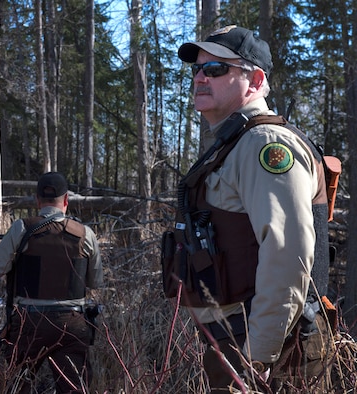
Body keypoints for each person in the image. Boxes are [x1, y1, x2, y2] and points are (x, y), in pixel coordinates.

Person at [162, 25, 334, 392]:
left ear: (255, 80)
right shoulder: (236, 142)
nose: (200, 78)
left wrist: (257, 356)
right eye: (197, 69)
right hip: (241, 339)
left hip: (274, 350)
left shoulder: (264, 144)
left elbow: (288, 254)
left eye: (216, 69)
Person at [0, 171, 104, 394]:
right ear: (66, 200)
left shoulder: (22, 228)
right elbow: (95, 282)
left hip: (29, 324)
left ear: (37, 200)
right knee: (74, 390)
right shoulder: (85, 234)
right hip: (72, 324)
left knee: (17, 387)